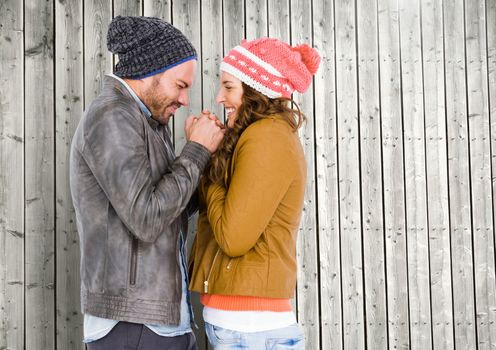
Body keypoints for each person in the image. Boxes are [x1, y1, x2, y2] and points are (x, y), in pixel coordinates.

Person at [70, 16, 224, 350]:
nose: (185, 100)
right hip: (133, 325)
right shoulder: (113, 116)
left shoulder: (147, 122)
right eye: (180, 86)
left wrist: (207, 156)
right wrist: (195, 151)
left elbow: (170, 207)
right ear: (148, 73)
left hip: (157, 323)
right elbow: (147, 217)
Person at [188, 38, 320, 349]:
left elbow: (233, 239)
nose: (220, 97)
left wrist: (208, 155)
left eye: (229, 87)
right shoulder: (260, 135)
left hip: (248, 330)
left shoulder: (267, 137)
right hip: (244, 327)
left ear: (255, 89)